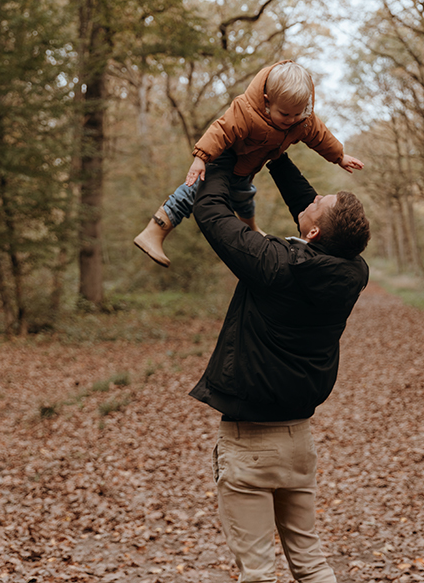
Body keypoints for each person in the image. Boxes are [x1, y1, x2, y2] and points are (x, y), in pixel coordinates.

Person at [189, 149, 371, 583]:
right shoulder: (352, 270)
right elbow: (313, 215)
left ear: (311, 232)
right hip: (297, 443)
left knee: (257, 572)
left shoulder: (275, 265)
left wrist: (219, 159)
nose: (314, 196)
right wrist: (277, 157)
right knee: (311, 563)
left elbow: (212, 214)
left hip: (250, 445)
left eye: (319, 201)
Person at [134, 60, 363, 267]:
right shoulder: (246, 111)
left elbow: (320, 136)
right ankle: (155, 230)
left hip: (247, 169)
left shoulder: (303, 120)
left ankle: (251, 226)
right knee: (192, 191)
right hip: (223, 159)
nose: (291, 120)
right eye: (284, 114)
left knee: (245, 195)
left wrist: (339, 156)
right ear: (267, 102)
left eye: (297, 113)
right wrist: (201, 158)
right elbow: (220, 130)